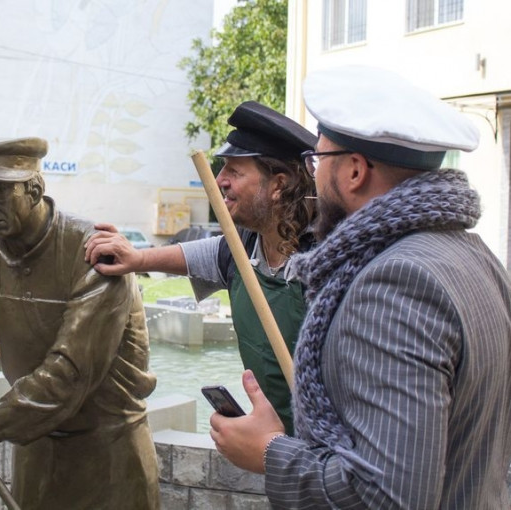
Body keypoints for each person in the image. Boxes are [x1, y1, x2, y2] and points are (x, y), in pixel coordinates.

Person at [210, 65, 511, 508]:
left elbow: (387, 495)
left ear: (353, 171)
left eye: (318, 159)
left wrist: (271, 451)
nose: (311, 175)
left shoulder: (392, 285)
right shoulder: (475, 256)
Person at [0, 137, 160, 509]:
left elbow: (73, 367)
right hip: (36, 445)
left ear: (34, 188)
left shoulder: (92, 250)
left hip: (107, 453)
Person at [85, 101, 316, 435]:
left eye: (235, 172)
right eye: (222, 169)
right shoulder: (244, 248)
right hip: (277, 444)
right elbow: (200, 254)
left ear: (278, 185)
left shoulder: (324, 263)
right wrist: (136, 259)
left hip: (325, 452)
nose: (220, 180)